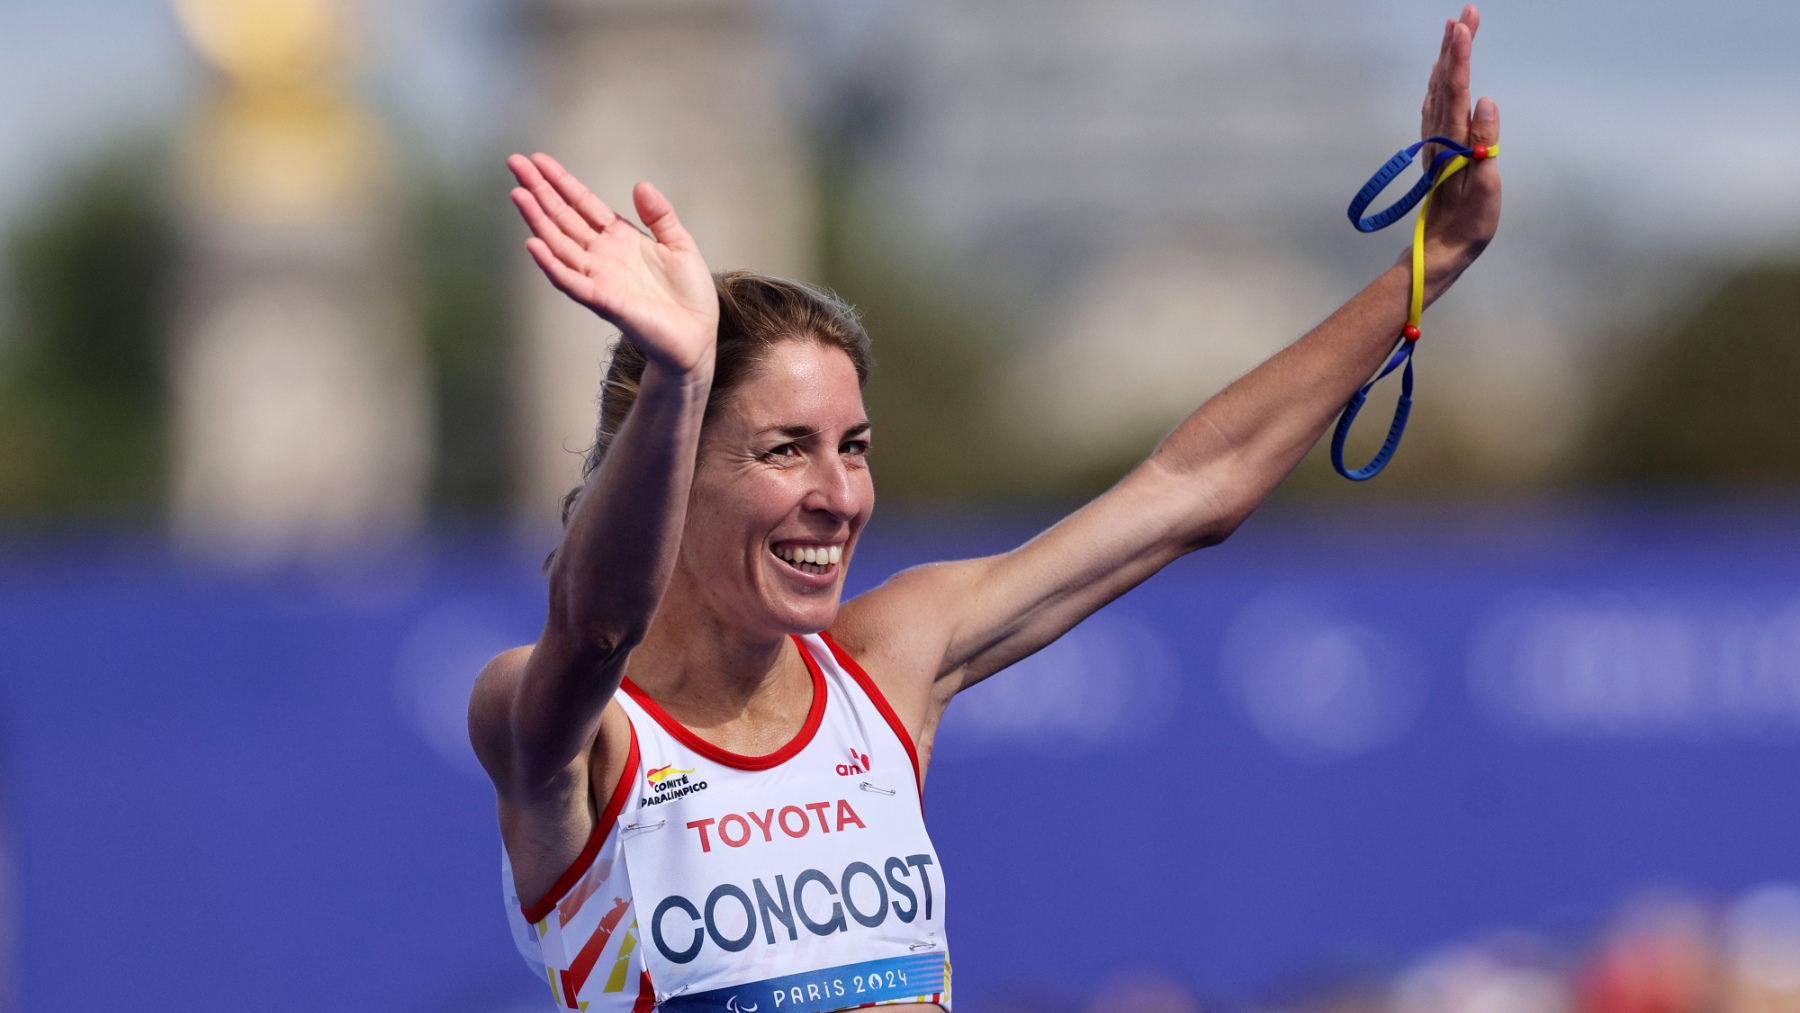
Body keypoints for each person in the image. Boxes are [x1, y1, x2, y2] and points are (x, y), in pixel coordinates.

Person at [469, 7, 1502, 1011]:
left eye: (855, 448)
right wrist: (680, 376)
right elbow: (598, 624)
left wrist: (1432, 259)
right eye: (788, 449)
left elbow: (1196, 488)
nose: (838, 496)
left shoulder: (888, 666)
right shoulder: (569, 722)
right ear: (674, 465)